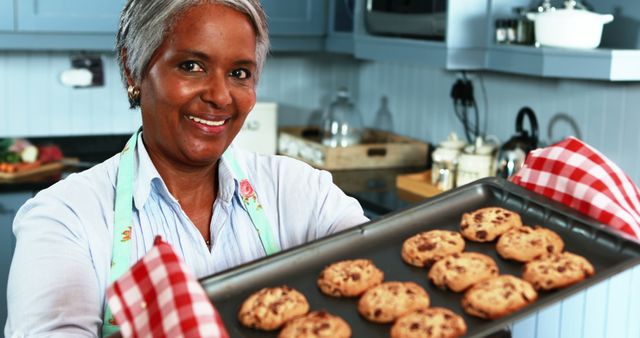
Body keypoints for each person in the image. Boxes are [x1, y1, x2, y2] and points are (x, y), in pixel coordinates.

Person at [5, 0, 368, 336]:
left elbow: (374, 271)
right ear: (133, 68)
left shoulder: (302, 191)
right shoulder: (66, 218)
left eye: (240, 73)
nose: (220, 96)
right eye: (192, 66)